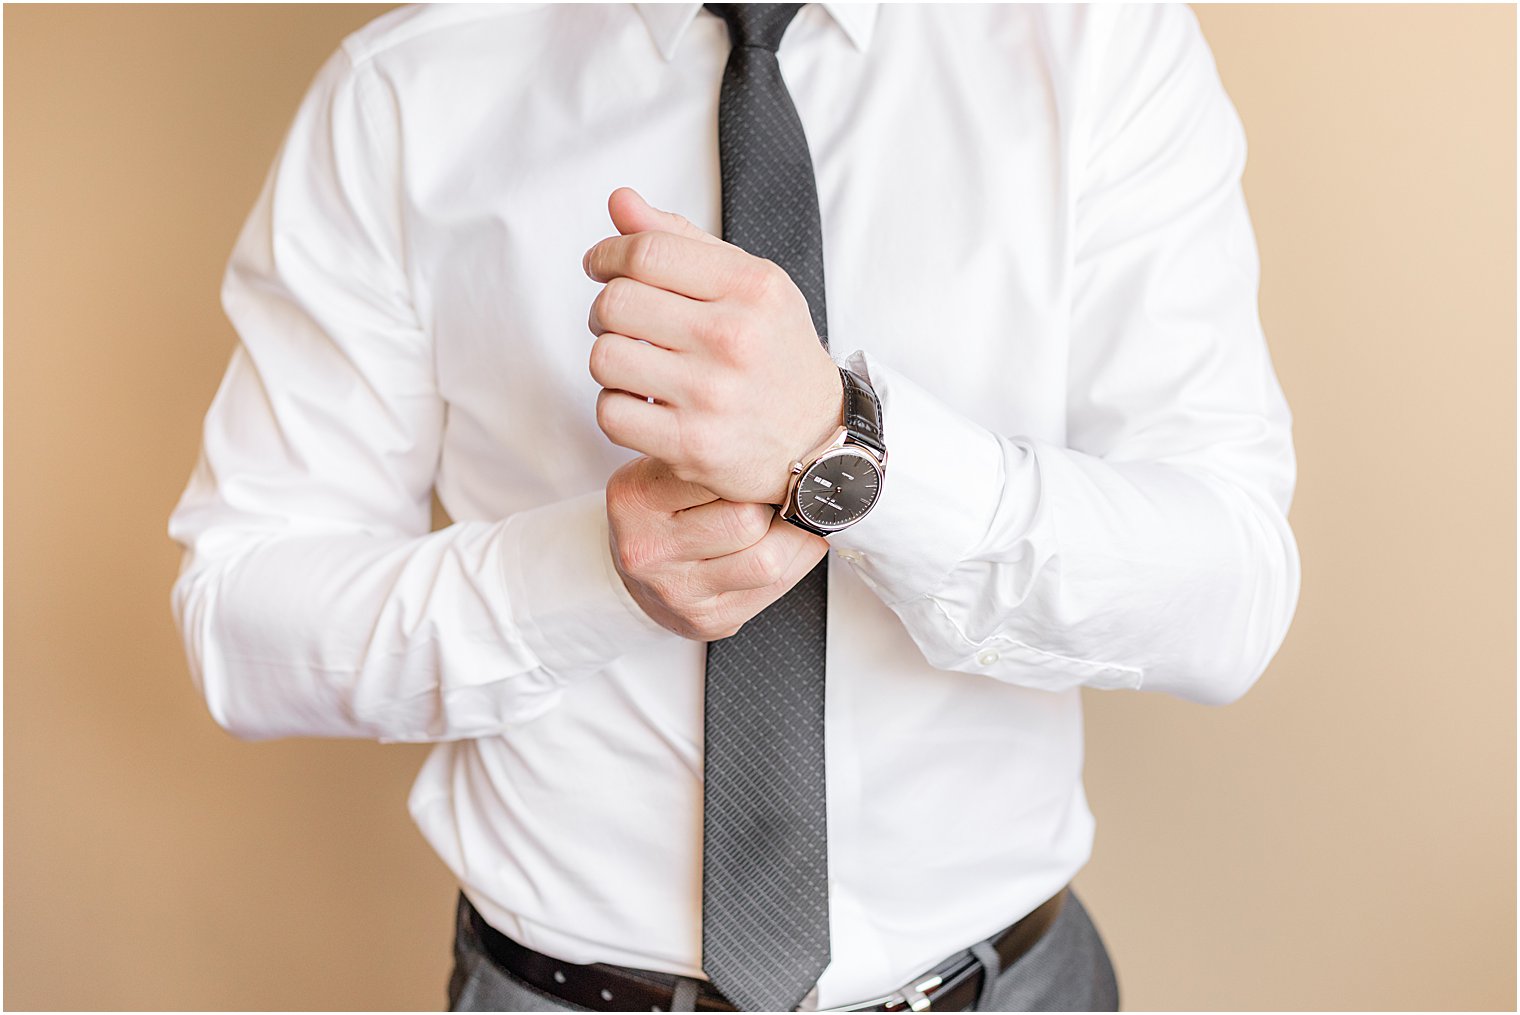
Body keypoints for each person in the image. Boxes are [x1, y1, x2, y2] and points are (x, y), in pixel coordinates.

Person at [168, 3, 1300, 1011]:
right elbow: (239, 619)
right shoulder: (405, 91)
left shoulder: (1095, 41)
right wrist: (590, 575)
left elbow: (1225, 595)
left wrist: (847, 450)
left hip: (1008, 986)